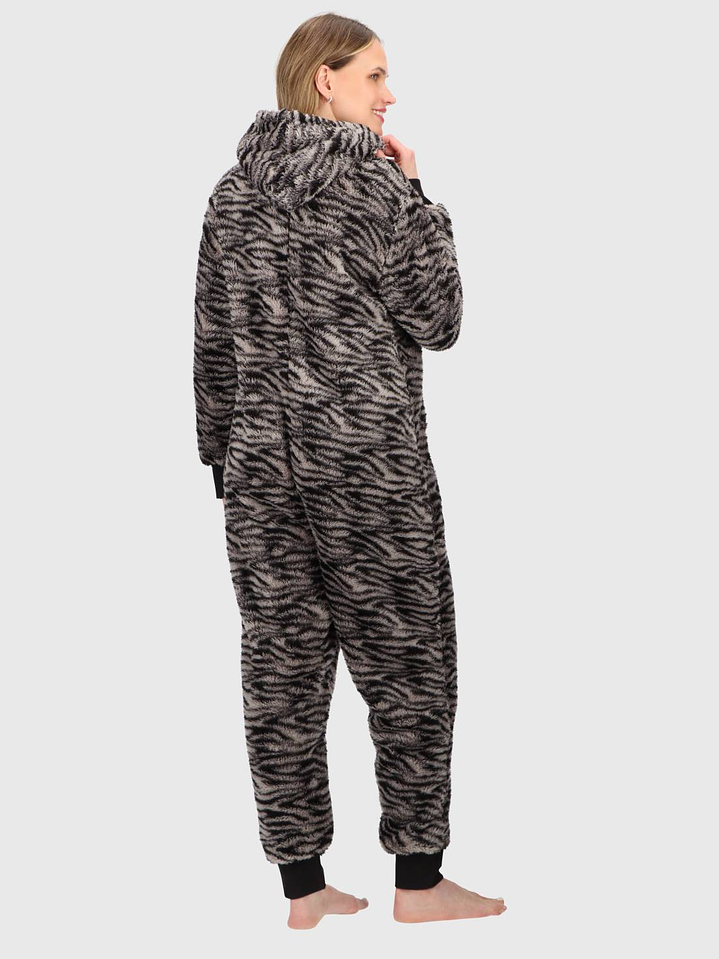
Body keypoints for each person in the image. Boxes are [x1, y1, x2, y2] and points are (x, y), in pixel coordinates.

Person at [193, 13, 507, 929]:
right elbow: (439, 318)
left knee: (280, 674)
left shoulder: (232, 194)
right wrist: (418, 194)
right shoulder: (373, 185)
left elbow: (212, 340)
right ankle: (418, 880)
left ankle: (303, 889)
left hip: (260, 474)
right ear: (323, 81)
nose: (389, 93)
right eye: (374, 75)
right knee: (411, 664)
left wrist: (221, 456)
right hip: (369, 467)